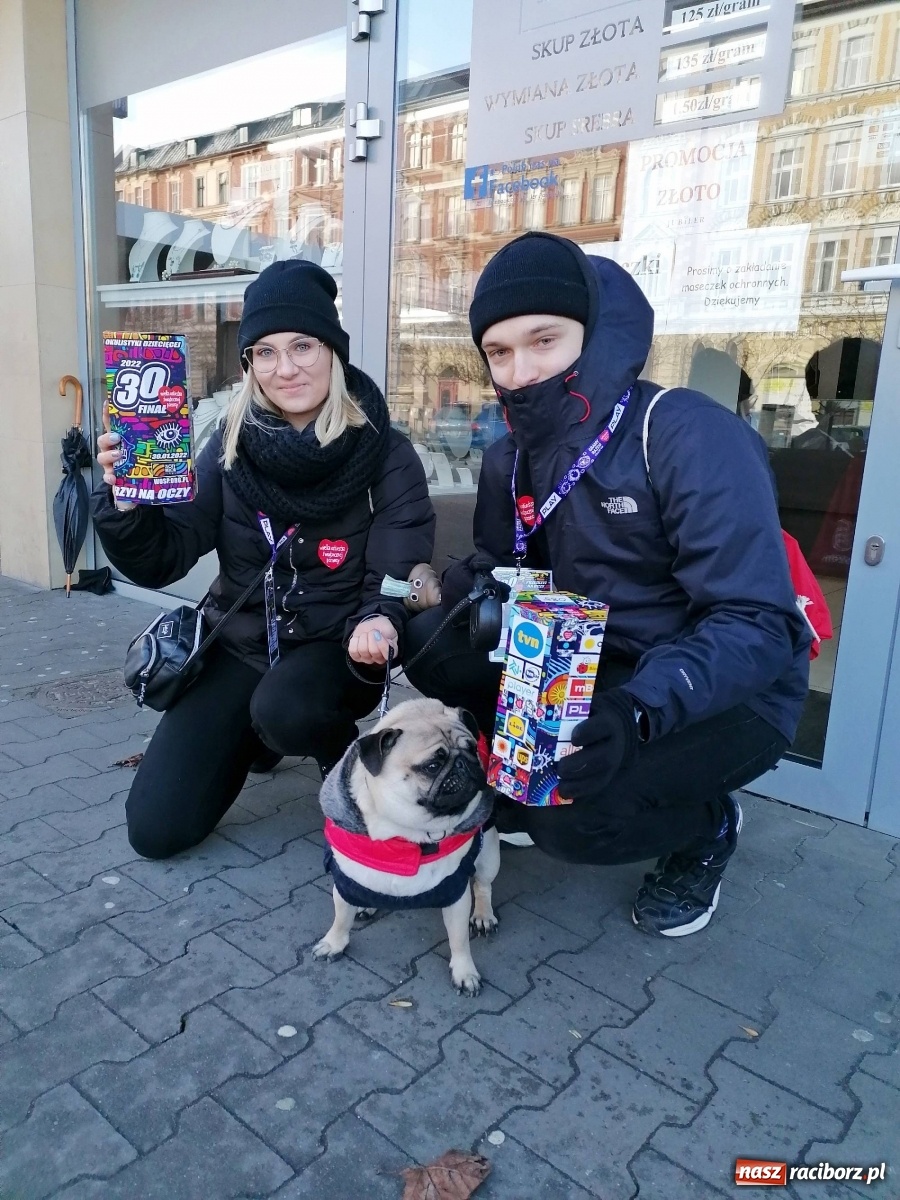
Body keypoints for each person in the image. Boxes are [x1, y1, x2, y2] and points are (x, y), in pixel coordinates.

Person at [404, 232, 811, 938]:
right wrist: (418, 595)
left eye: (544, 340)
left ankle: (705, 827)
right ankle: (515, 780)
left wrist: (638, 711)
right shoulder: (509, 457)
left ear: (591, 337)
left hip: (725, 685)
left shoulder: (684, 434)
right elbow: (505, 564)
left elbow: (756, 623)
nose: (520, 370)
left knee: (573, 821)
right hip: (593, 655)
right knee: (433, 646)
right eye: (499, 352)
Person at [93, 259, 435, 860]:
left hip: (338, 650)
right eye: (265, 352)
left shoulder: (385, 452)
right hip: (241, 645)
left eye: (303, 345)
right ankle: (258, 735)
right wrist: (127, 503)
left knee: (286, 707)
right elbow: (164, 558)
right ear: (249, 364)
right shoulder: (226, 442)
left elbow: (394, 574)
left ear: (332, 349)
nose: (286, 368)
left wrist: (382, 620)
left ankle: (344, 765)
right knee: (156, 831)